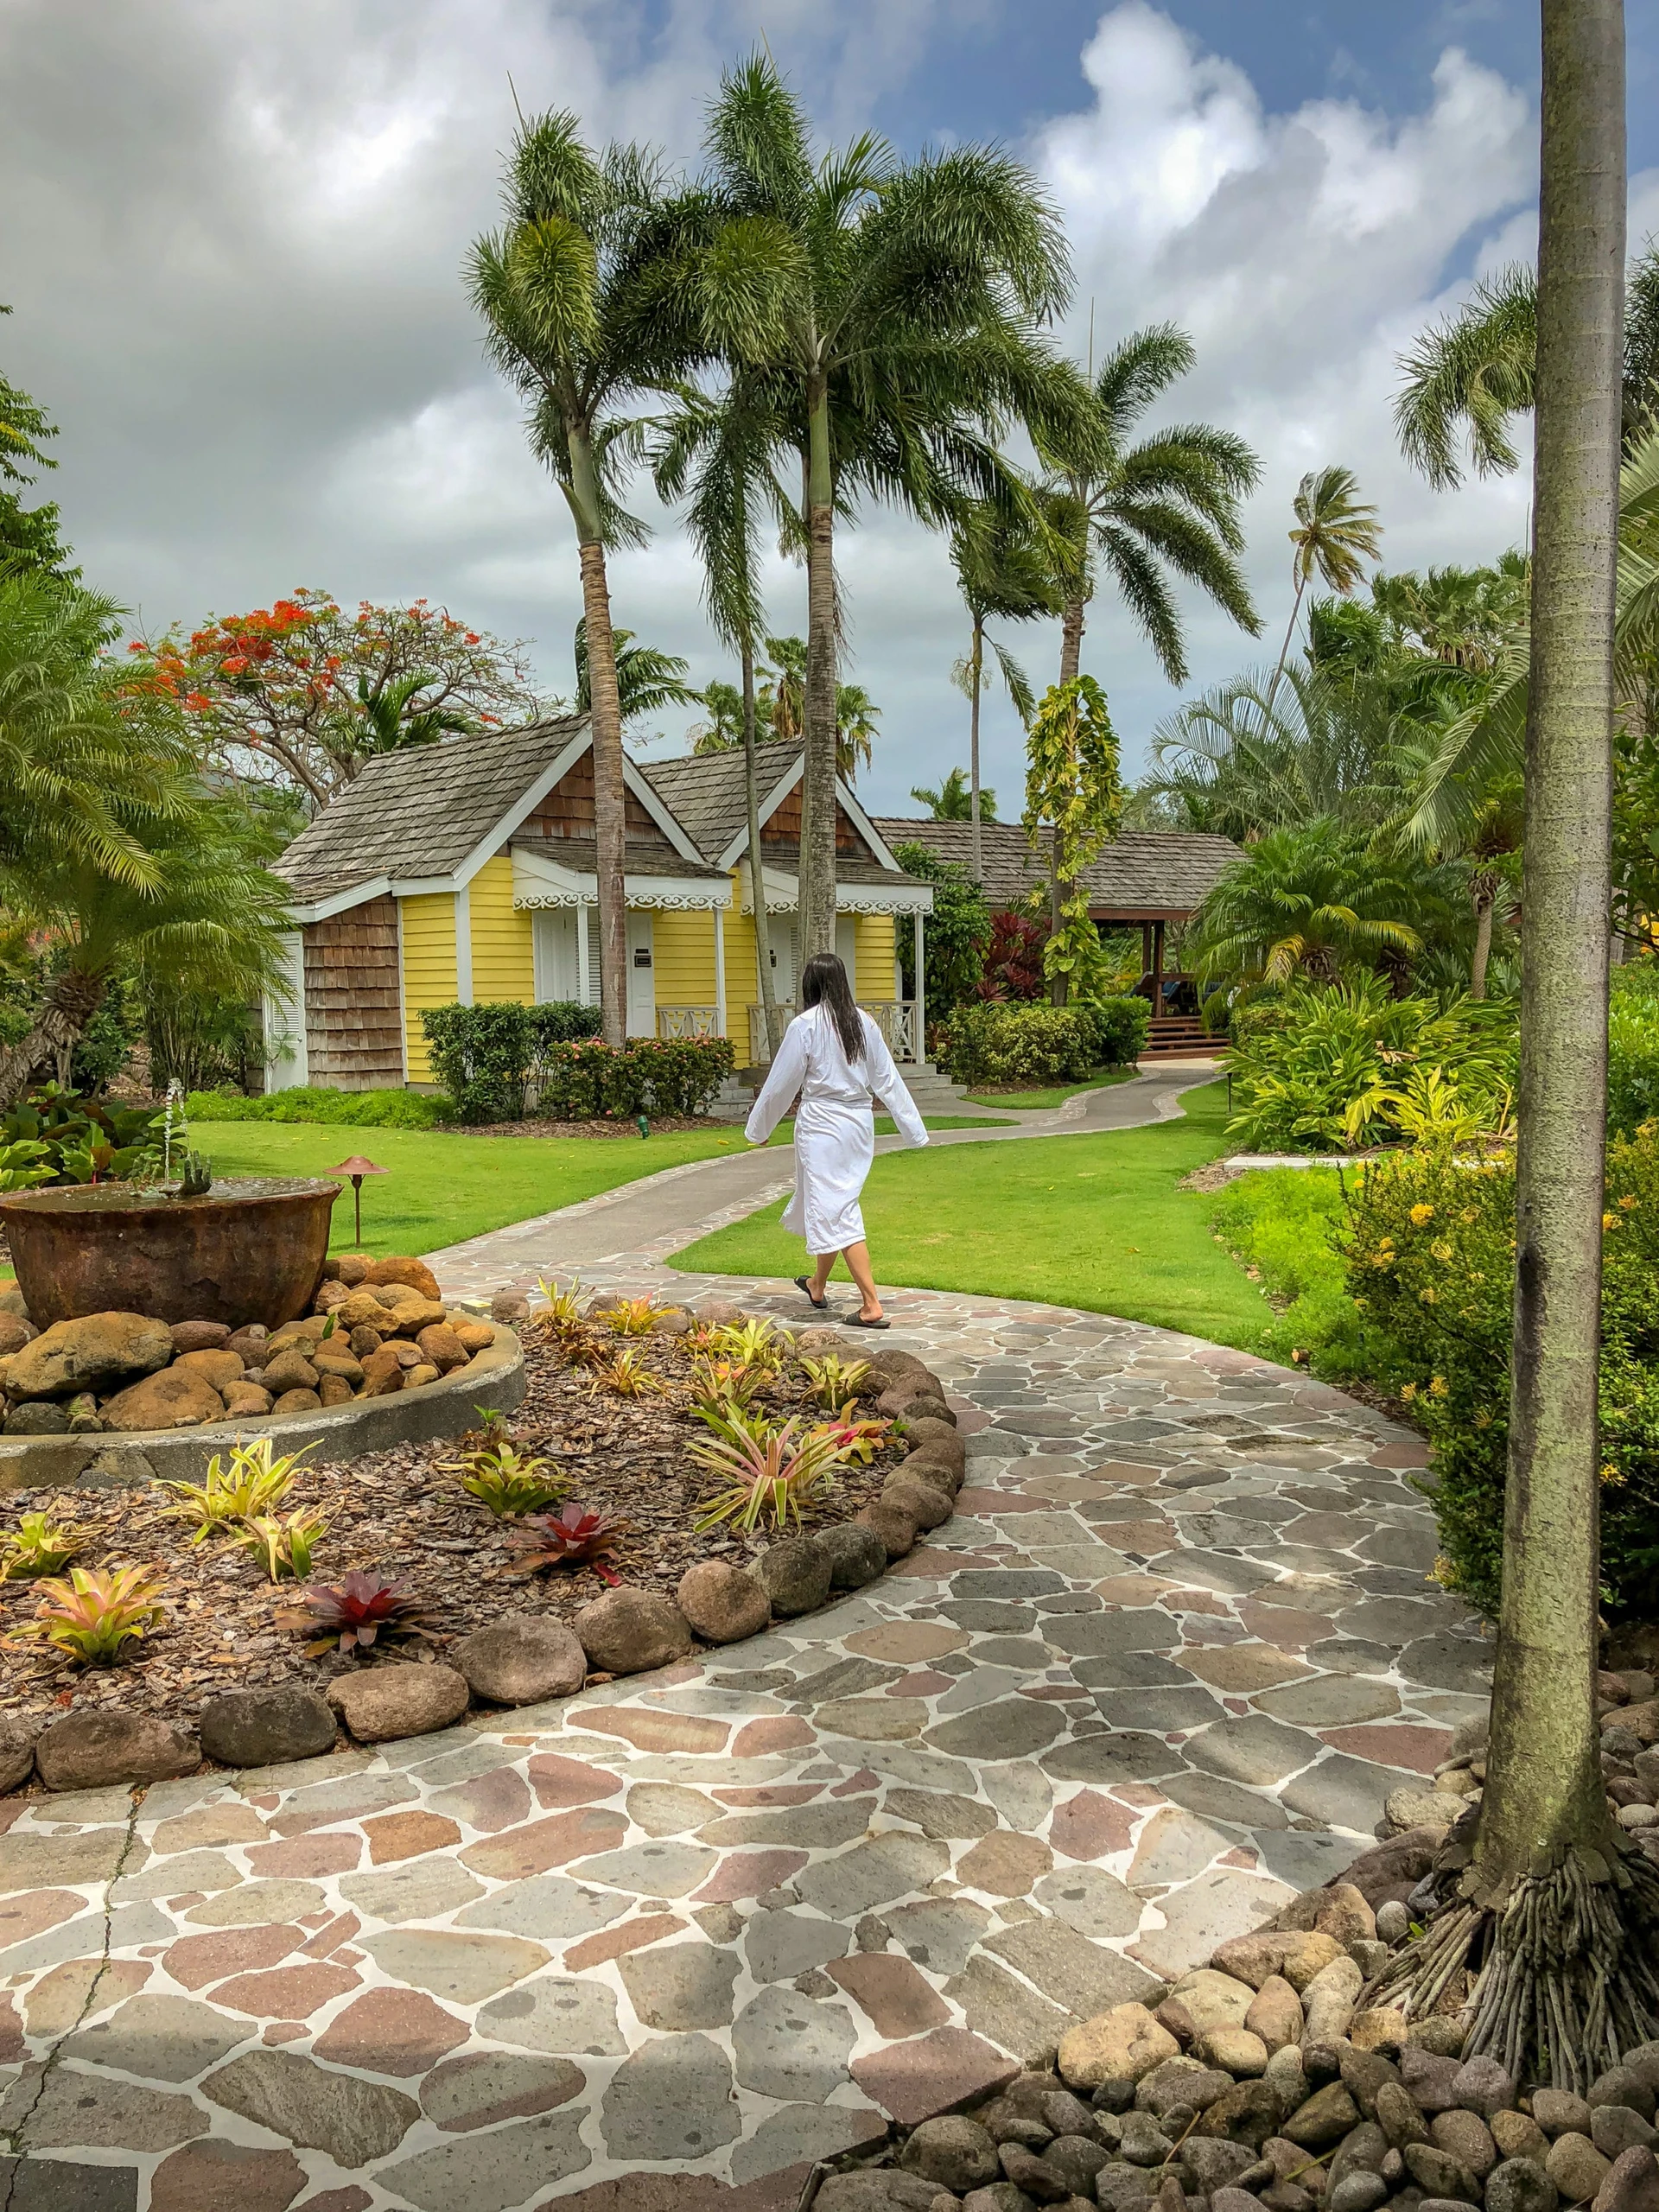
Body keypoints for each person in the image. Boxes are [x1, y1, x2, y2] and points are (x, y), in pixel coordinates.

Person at [744, 950, 927, 1328]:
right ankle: (817, 1284)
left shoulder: (805, 1025)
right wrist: (914, 1130)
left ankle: (871, 1303)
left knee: (837, 1207)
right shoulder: (863, 1023)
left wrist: (758, 1130)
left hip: (823, 1124)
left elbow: (781, 1084)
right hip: (859, 1123)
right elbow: (887, 1079)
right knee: (831, 1200)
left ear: (809, 984)